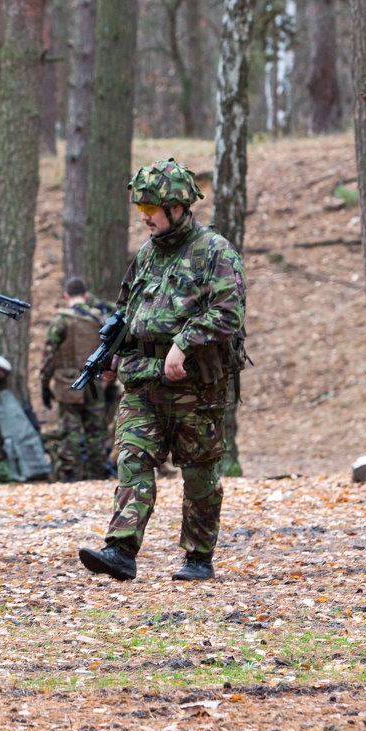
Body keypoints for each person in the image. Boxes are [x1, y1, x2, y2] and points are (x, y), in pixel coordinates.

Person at [78, 158, 246, 583]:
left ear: (175, 206)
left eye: (150, 208)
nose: (143, 217)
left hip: (196, 385)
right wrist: (114, 354)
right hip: (144, 379)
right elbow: (126, 310)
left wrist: (183, 343)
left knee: (199, 474)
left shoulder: (215, 251)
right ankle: (120, 550)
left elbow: (229, 313)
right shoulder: (146, 257)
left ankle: (198, 557)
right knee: (132, 457)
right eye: (140, 208)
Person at [39, 277, 113, 481]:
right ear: (86, 295)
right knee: (96, 432)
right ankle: (96, 475)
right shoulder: (99, 320)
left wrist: (45, 386)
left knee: (69, 432)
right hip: (94, 384)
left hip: (66, 385)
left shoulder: (60, 321)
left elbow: (48, 358)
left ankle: (69, 476)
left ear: (66, 296)